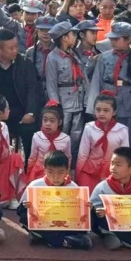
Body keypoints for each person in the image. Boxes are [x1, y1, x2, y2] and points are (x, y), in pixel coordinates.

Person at [0, 28, 41, 164]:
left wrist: (31, 112)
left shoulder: (24, 63)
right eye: (11, 48)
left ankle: (27, 168)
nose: (15, 50)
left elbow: (33, 89)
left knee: (32, 132)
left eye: (16, 46)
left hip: (20, 112)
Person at [18, 150, 93, 250]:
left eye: (60, 172)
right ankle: (63, 241)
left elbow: (79, 213)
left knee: (86, 224)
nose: (55, 177)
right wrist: (25, 206)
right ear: (44, 169)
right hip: (44, 223)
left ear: (67, 170)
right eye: (50, 172)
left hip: (64, 224)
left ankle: (41, 237)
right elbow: (19, 211)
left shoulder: (73, 187)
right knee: (24, 218)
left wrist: (88, 208)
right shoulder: (35, 186)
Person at [87, 22, 131, 143]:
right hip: (107, 103)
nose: (112, 42)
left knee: (126, 138)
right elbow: (96, 82)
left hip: (129, 105)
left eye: (116, 39)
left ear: (128, 39)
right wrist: (93, 107)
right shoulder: (104, 57)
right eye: (111, 38)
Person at [45, 21, 87, 161]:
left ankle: (73, 161)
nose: (75, 37)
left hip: (77, 98)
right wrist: (55, 105)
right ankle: (59, 159)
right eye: (72, 34)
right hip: (64, 101)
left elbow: (82, 76)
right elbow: (51, 83)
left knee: (77, 132)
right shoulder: (53, 57)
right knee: (63, 132)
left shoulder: (74, 54)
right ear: (64, 37)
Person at [90, 146, 131, 250]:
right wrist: (100, 211)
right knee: (94, 217)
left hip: (130, 225)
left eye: (118, 165)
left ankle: (115, 237)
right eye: (112, 163)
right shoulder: (102, 187)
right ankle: (128, 240)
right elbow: (94, 208)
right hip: (107, 224)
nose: (113, 168)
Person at [76, 91, 129, 192]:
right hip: (89, 171)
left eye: (106, 110)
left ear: (114, 112)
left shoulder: (122, 130)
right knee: (87, 200)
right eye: (98, 110)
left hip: (112, 172)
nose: (101, 113)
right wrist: (78, 175)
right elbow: (82, 155)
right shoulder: (89, 128)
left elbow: (124, 156)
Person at [21, 100, 71, 188]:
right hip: (39, 171)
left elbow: (68, 158)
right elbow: (32, 158)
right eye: (45, 120)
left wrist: (66, 174)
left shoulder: (65, 139)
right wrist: (28, 174)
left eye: (52, 121)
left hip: (57, 173)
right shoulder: (37, 136)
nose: (48, 124)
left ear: (59, 122)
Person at [25, 16, 57, 91]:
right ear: (36, 31)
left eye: (49, 30)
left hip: (54, 88)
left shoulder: (57, 51)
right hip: (36, 88)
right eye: (42, 30)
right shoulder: (30, 52)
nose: (46, 33)